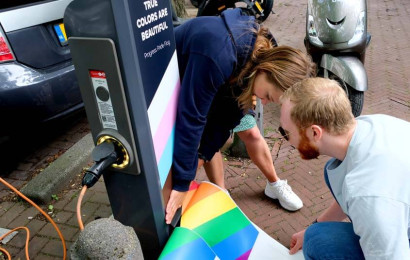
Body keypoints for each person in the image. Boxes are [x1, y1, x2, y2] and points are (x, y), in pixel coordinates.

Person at [165, 8, 316, 224]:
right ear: (269, 71)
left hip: (207, 79)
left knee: (211, 142)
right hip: (172, 80)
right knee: (175, 156)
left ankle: (258, 187)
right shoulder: (220, 53)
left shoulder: (256, 61)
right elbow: (191, 119)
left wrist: (201, 155)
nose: (263, 102)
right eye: (269, 96)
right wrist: (182, 182)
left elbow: (225, 121)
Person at [278, 78, 410, 259]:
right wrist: (314, 225)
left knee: (317, 242)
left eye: (285, 132)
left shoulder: (367, 193)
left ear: (315, 132)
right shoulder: (370, 125)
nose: (286, 138)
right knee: (332, 171)